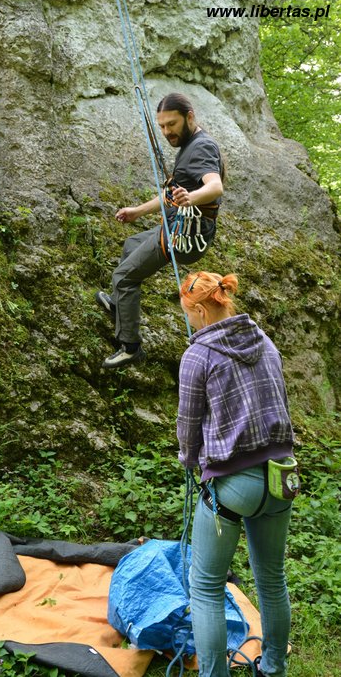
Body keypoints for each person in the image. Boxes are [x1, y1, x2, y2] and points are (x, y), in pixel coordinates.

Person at [177, 270, 295, 677]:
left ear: (200, 310)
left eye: (187, 314)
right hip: (280, 477)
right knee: (272, 579)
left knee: (206, 587)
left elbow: (188, 424)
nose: (189, 322)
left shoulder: (198, 355)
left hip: (232, 483)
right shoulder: (264, 341)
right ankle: (274, 668)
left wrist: (190, 461)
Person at [96, 93, 224, 369]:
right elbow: (170, 195)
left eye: (172, 124)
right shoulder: (190, 145)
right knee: (132, 244)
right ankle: (120, 306)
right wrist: (137, 212)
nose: (166, 132)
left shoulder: (201, 148)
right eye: (162, 126)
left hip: (185, 236)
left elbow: (215, 186)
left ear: (190, 117)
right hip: (179, 227)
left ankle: (130, 347)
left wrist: (192, 198)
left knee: (124, 277)